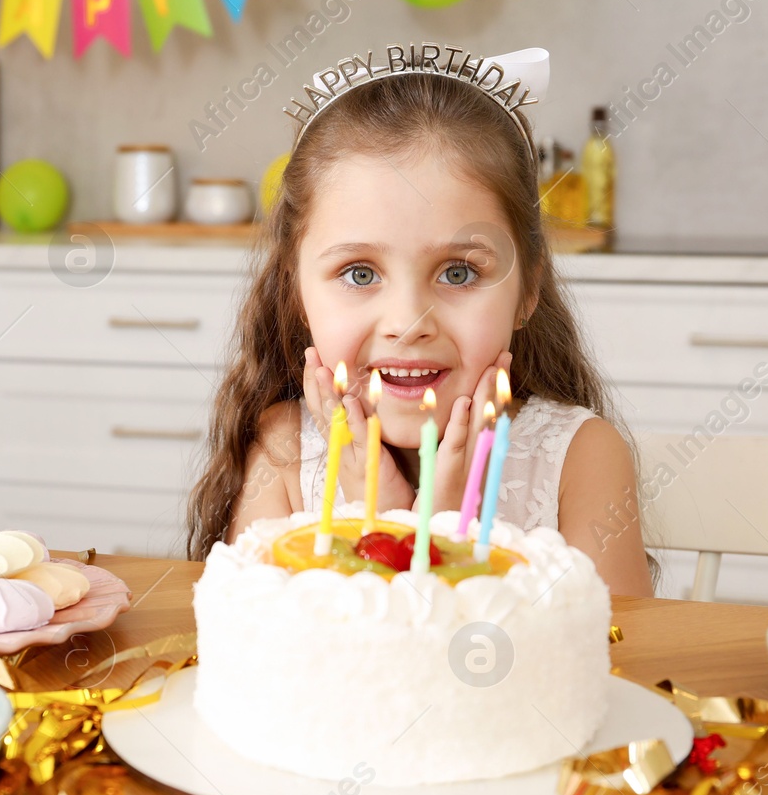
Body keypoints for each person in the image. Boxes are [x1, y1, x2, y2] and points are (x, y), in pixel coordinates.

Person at [185, 52, 653, 596]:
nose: (409, 324)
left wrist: (444, 538)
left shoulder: (581, 458)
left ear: (528, 290)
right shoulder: (283, 451)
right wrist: (375, 524)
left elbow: (603, 665)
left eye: (458, 272)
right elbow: (259, 657)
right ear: (296, 292)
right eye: (359, 273)